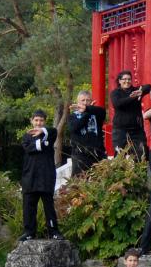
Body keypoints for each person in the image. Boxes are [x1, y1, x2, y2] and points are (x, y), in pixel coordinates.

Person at [20, 109, 63, 241]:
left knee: (49, 206)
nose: (38, 123)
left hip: (46, 176)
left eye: (41, 120)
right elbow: (29, 148)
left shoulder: (49, 133)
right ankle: (29, 232)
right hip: (30, 177)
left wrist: (43, 134)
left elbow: (53, 131)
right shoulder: (26, 136)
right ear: (31, 121)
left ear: (45, 121)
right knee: (29, 206)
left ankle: (53, 232)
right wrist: (42, 144)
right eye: (36, 120)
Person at [110, 71, 151, 160]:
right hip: (120, 130)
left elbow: (149, 87)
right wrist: (132, 97)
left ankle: (140, 169)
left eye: (129, 79)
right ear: (119, 81)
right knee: (120, 154)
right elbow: (118, 104)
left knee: (142, 152)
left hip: (136, 130)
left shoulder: (136, 90)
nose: (127, 81)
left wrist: (141, 91)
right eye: (124, 79)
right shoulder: (115, 93)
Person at [68, 90, 107, 176]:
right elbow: (74, 128)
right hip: (80, 155)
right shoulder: (72, 116)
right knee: (80, 181)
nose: (85, 103)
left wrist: (88, 110)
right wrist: (86, 114)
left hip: (97, 153)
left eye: (88, 100)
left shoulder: (96, 113)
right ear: (78, 102)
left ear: (91, 101)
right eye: (83, 100)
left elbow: (103, 112)